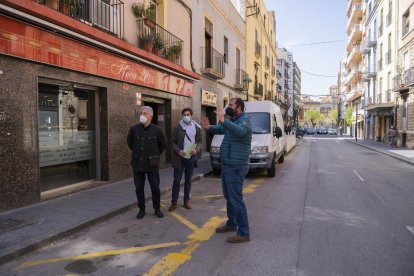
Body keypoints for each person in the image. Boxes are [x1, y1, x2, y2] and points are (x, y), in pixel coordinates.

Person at [201, 98, 252, 243]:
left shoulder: (245, 120)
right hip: (228, 165)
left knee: (236, 199)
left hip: (236, 166)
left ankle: (244, 232)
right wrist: (209, 127)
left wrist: (223, 120)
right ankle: (231, 224)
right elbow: (222, 129)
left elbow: (240, 132)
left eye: (230, 105)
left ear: (239, 107)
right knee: (229, 197)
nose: (228, 108)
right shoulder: (234, 119)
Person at [127, 106, 166, 219]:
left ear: (150, 116)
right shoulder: (134, 129)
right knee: (139, 188)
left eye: (145, 113)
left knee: (155, 187)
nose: (142, 115)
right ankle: (142, 209)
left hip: (152, 165)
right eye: (141, 113)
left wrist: (154, 155)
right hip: (137, 164)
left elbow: (162, 145)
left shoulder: (157, 130)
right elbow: (130, 143)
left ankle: (157, 209)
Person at [168, 108, 202, 212]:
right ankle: (174, 202)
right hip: (179, 158)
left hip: (191, 158)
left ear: (191, 116)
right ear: (182, 116)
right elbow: (172, 141)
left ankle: (186, 201)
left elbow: (200, 141)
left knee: (188, 181)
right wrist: (178, 151)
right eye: (184, 114)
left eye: (188, 114)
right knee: (177, 181)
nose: (186, 116)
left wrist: (196, 150)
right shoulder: (178, 127)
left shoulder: (197, 127)